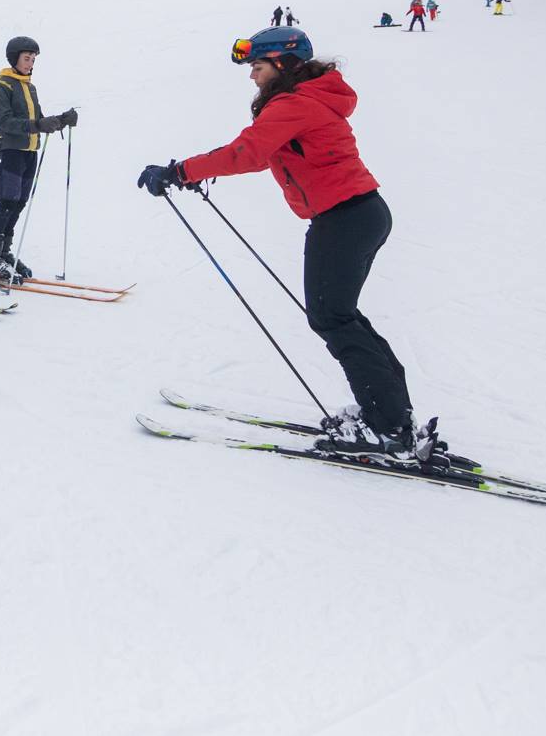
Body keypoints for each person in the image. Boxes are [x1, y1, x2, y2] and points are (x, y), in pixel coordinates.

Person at [134, 27, 442, 468]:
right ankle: (393, 418)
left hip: (345, 218)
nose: (252, 77)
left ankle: (389, 428)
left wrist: (180, 171)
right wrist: (190, 172)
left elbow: (249, 152)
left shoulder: (293, 103)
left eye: (257, 67)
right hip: (358, 214)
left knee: (333, 317)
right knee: (341, 317)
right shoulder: (307, 99)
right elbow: (256, 152)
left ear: (283, 64)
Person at [0, 36, 77, 282]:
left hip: (30, 151)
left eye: (33, 59)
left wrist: (61, 119)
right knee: (8, 199)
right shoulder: (2, 87)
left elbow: (37, 121)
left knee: (19, 202)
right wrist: (38, 124)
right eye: (27, 58)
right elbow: (4, 121)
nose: (30, 63)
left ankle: (3, 252)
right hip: (11, 150)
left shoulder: (29, 87)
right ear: (14, 58)